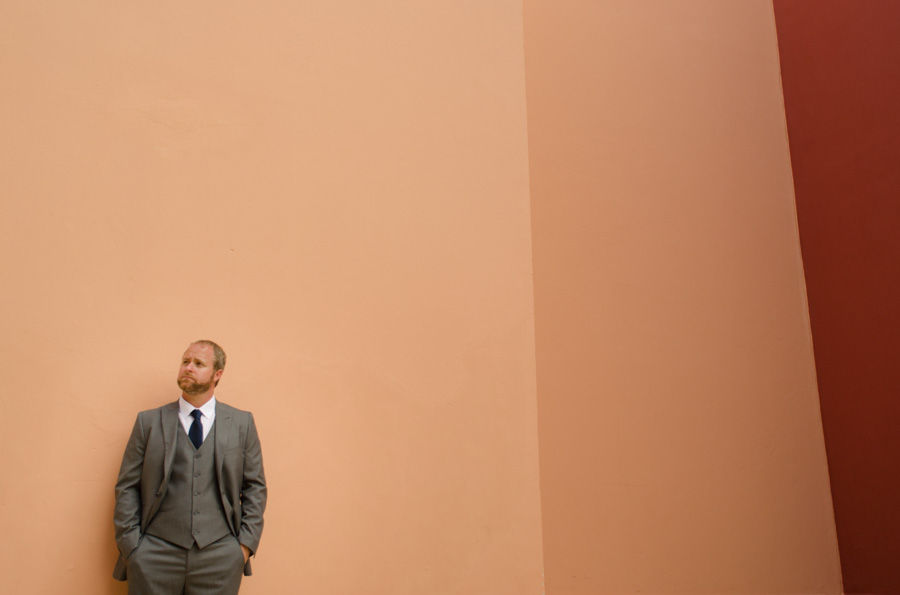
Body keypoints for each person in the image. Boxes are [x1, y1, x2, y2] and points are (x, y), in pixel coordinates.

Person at [113, 340, 267, 594]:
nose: (188, 368)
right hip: (154, 555)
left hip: (219, 556)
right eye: (185, 361)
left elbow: (255, 488)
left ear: (217, 374)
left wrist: (243, 548)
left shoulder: (242, 423)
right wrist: (133, 547)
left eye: (198, 363)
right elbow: (127, 486)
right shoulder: (148, 422)